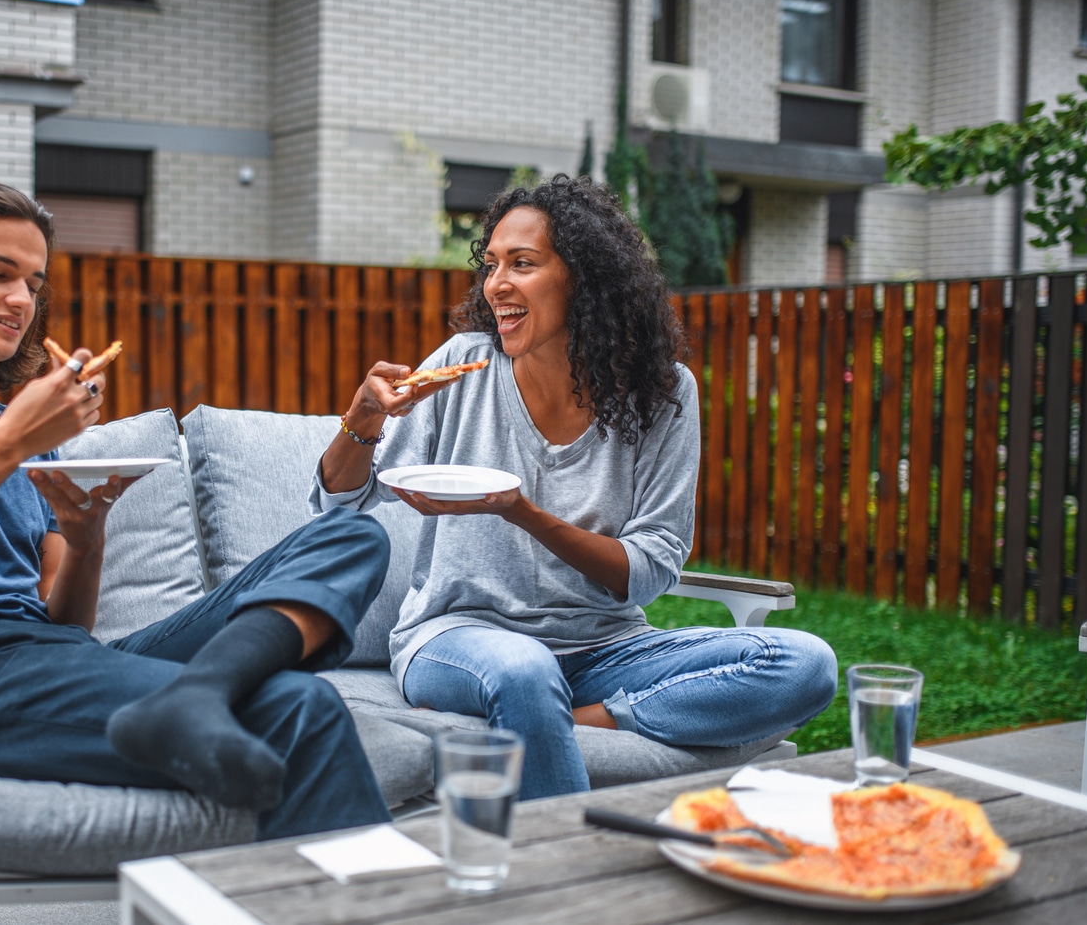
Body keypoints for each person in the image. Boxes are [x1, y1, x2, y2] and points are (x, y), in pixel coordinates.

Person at [0, 179, 392, 839]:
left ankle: (198, 694)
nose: (20, 300)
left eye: (33, 283)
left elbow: (66, 628)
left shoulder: (14, 427)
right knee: (296, 705)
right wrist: (9, 444)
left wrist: (85, 539)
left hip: (44, 655)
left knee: (351, 536)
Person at [313, 174, 837, 800]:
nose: (496, 284)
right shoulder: (465, 367)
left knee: (805, 665)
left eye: (523, 264)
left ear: (583, 279)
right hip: (457, 638)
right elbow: (341, 499)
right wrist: (363, 419)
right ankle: (565, 856)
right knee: (524, 669)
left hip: (607, 647)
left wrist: (523, 512)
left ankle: (570, 722)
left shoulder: (663, 394)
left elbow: (647, 572)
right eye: (492, 265)